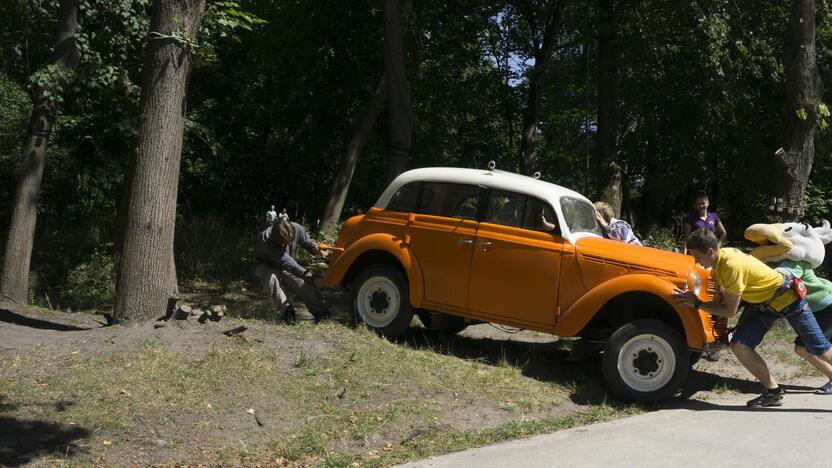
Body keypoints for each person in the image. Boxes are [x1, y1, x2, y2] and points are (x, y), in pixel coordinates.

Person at [671, 229, 832, 407]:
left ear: (710, 251)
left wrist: (696, 304)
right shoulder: (720, 262)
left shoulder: (731, 265)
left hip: (788, 299)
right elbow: (728, 301)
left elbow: (729, 311)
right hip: (766, 305)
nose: (696, 262)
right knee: (740, 345)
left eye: (697, 257)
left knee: (819, 348)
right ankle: (773, 393)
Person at [254, 219, 329, 323]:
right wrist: (313, 279)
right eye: (283, 244)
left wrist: (315, 248)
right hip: (266, 264)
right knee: (272, 279)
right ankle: (287, 312)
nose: (286, 246)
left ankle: (322, 314)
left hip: (286, 263)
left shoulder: (296, 228)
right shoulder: (266, 242)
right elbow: (292, 266)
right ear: (275, 239)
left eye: (289, 242)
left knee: (303, 283)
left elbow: (306, 241)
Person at [776, 260, 832, 394]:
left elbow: (783, 277)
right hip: (820, 307)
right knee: (807, 348)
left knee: (803, 348)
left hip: (826, 306)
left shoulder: (792, 262)